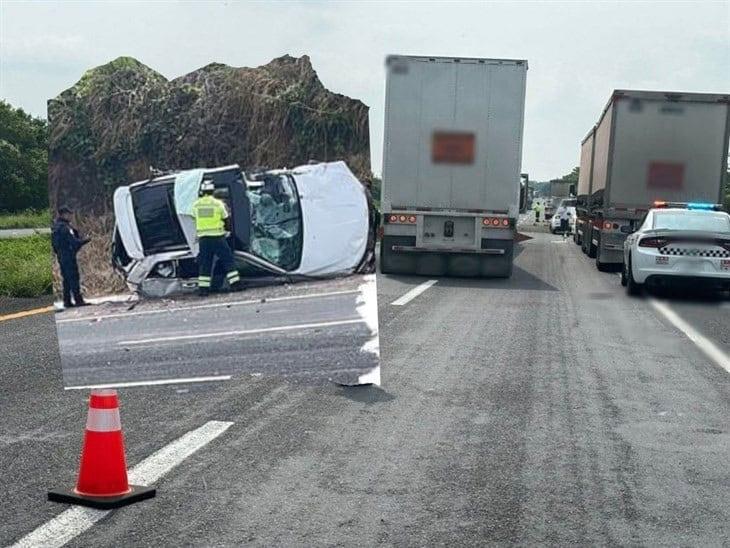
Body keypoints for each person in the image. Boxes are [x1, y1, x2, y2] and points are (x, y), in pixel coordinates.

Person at [191, 178, 241, 296]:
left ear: (202, 192)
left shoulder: (196, 205)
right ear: (213, 191)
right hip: (218, 238)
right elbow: (226, 218)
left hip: (204, 239)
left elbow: (194, 217)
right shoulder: (218, 204)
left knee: (205, 264)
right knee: (227, 260)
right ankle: (235, 284)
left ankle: (203, 289)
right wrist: (229, 230)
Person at [51, 205, 90, 308]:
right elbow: (73, 242)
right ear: (63, 215)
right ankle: (78, 300)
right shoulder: (65, 228)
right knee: (73, 278)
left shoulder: (55, 227)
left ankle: (67, 301)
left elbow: (55, 245)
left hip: (61, 256)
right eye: (68, 214)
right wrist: (85, 240)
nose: (70, 216)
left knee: (67, 280)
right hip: (68, 255)